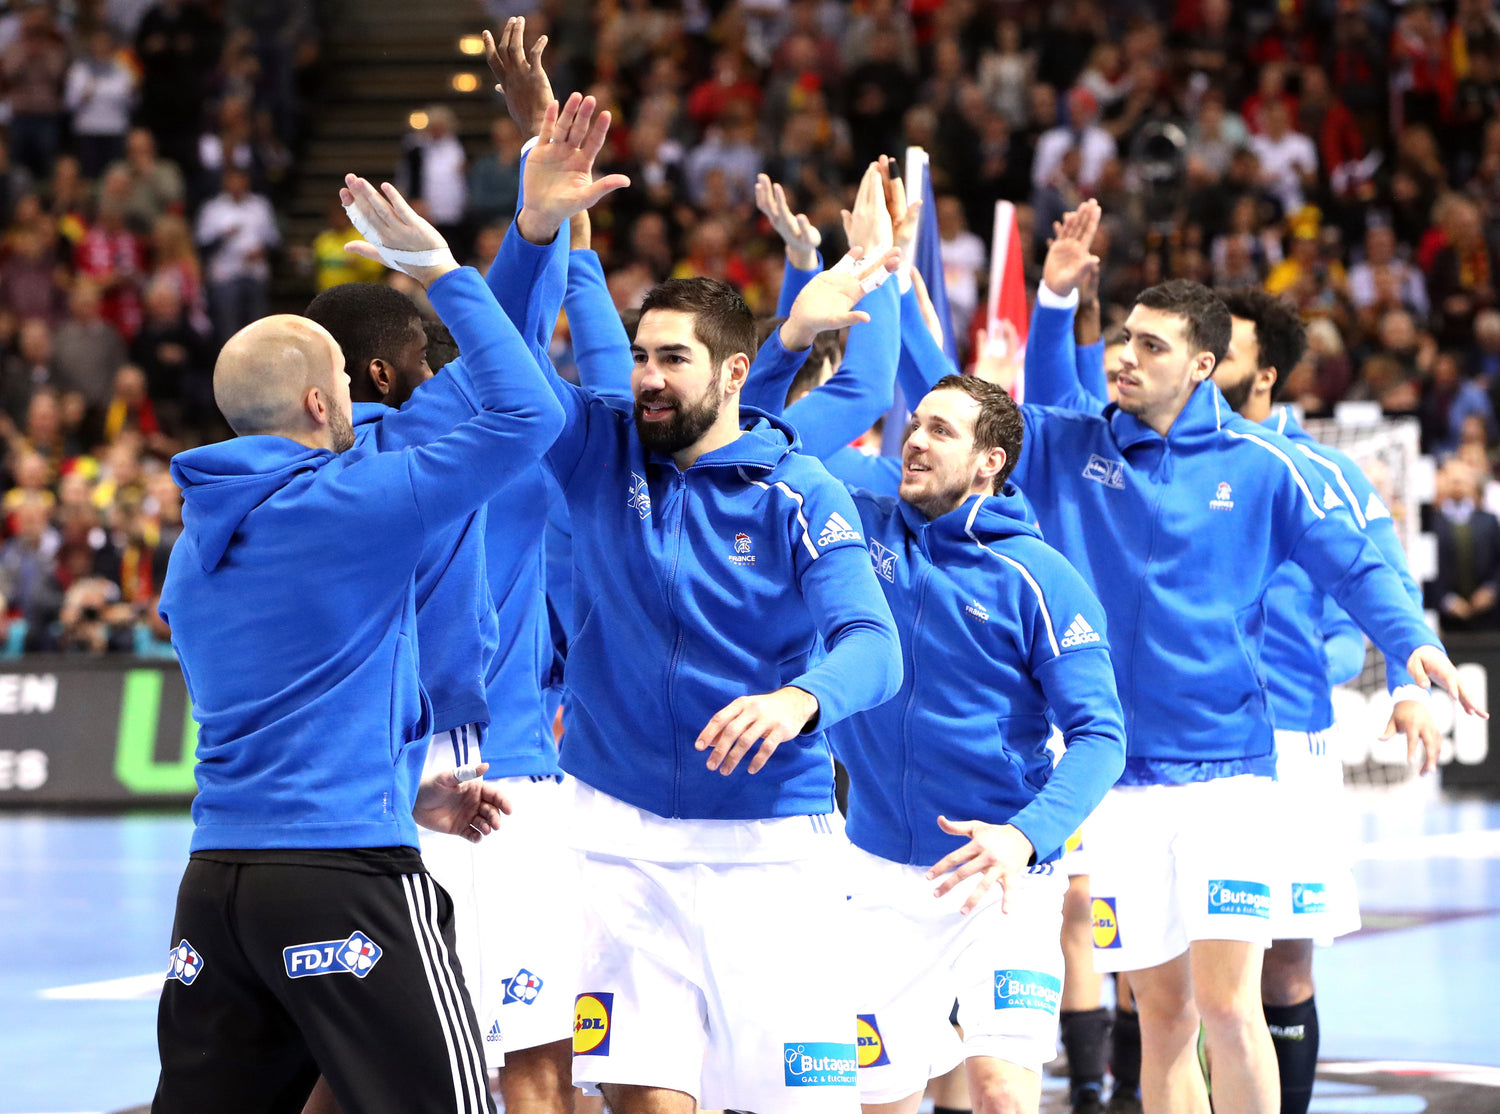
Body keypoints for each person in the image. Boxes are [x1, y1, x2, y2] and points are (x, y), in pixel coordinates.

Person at [897, 269, 1481, 1114]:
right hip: (1119, 787)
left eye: (1150, 346)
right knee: (1163, 1019)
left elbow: (1357, 564)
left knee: (1229, 1007)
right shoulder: (1073, 444)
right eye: (1125, 338)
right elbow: (950, 414)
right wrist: (915, 299)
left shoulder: (1266, 466)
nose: (1125, 358)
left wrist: (1411, 647)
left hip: (1229, 781)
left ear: (1204, 365)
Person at [499, 113, 905, 1113]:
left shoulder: (801, 489)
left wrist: (800, 701)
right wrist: (538, 231)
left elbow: (873, 645)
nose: (645, 376)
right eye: (640, 355)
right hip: (614, 837)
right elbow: (503, 370)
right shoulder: (598, 452)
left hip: (769, 846)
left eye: (673, 359)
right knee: (643, 1100)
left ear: (731, 373)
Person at [150, 170, 564, 1114]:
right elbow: (529, 414)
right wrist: (441, 270)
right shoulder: (356, 502)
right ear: (315, 405)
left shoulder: (190, 549)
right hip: (348, 876)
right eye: (343, 385)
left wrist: (404, 786)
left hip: (218, 885)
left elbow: (283, 705)